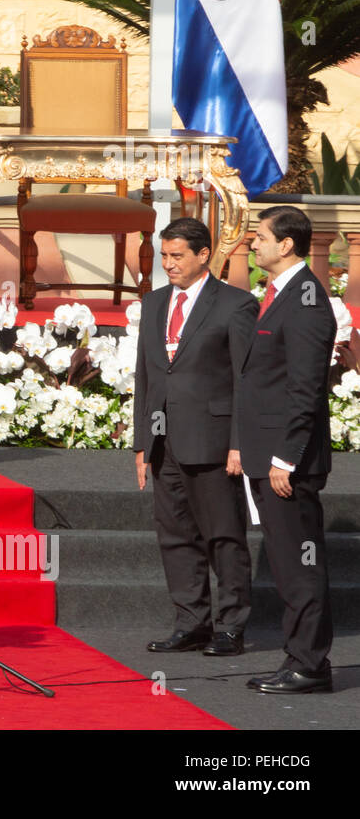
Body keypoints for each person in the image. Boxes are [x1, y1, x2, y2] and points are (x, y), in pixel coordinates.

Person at [133, 218, 257, 658]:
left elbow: (246, 378)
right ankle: (191, 623)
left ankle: (230, 627)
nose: (169, 264)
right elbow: (146, 376)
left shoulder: (237, 305)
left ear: (204, 255)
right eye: (164, 255)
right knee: (175, 536)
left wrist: (240, 442)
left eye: (177, 256)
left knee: (223, 536)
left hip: (215, 441)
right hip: (165, 442)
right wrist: (142, 443)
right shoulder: (153, 303)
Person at [237, 206, 336, 694]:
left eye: (260, 237)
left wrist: (286, 456)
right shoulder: (282, 294)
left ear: (286, 245)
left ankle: (310, 665)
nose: (252, 244)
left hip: (287, 463)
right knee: (286, 562)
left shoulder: (306, 301)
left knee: (300, 564)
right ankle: (300, 657)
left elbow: (305, 387)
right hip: (270, 455)